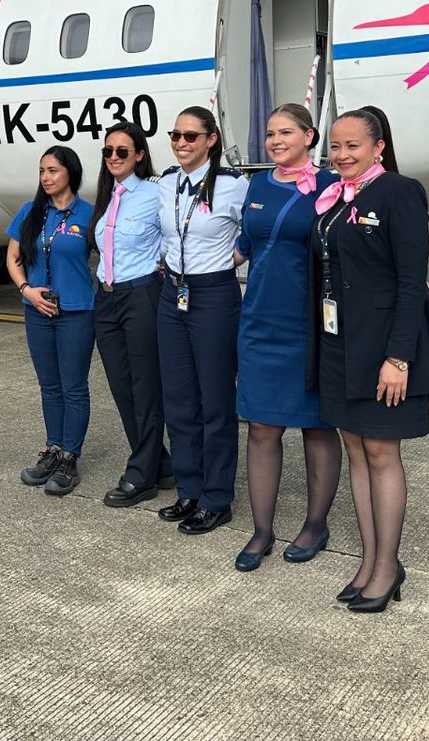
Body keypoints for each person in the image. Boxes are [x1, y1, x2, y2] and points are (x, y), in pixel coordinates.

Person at [308, 106, 429, 612]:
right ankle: (369, 560)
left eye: (353, 146)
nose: (341, 155)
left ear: (378, 148)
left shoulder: (398, 192)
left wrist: (399, 357)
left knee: (382, 453)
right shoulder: (333, 199)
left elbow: (412, 281)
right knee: (356, 453)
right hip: (339, 343)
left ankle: (387, 567)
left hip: (382, 345)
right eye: (336, 146)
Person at [231, 103, 342, 572]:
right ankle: (261, 530)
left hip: (309, 326)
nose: (275, 141)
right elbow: (244, 246)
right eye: (270, 133)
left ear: (308, 136)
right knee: (261, 428)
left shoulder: (331, 186)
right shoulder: (257, 184)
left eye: (285, 133)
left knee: (317, 427)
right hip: (259, 322)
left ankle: (316, 524)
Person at [155, 105, 248, 534]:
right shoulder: (166, 184)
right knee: (178, 400)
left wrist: (229, 260)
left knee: (215, 402)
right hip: (173, 294)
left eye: (191, 136)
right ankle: (189, 489)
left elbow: (256, 232)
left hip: (213, 294)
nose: (181, 143)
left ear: (211, 140)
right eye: (175, 135)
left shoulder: (234, 185)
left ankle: (216, 497)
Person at [88, 121, 173, 507]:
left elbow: (173, 237)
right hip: (106, 299)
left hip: (141, 294)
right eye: (108, 151)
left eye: (122, 151)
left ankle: (141, 475)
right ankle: (160, 464)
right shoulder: (108, 196)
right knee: (122, 388)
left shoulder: (156, 191)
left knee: (145, 386)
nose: (114, 158)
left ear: (139, 155)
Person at [5, 146, 97, 496]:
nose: (46, 177)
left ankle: (70, 458)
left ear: (70, 173)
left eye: (53, 171)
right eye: (42, 171)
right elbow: (12, 257)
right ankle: (52, 449)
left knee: (74, 387)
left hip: (76, 312)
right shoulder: (30, 212)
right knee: (49, 386)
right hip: (37, 311)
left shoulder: (89, 214)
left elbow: (109, 256)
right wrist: (27, 290)